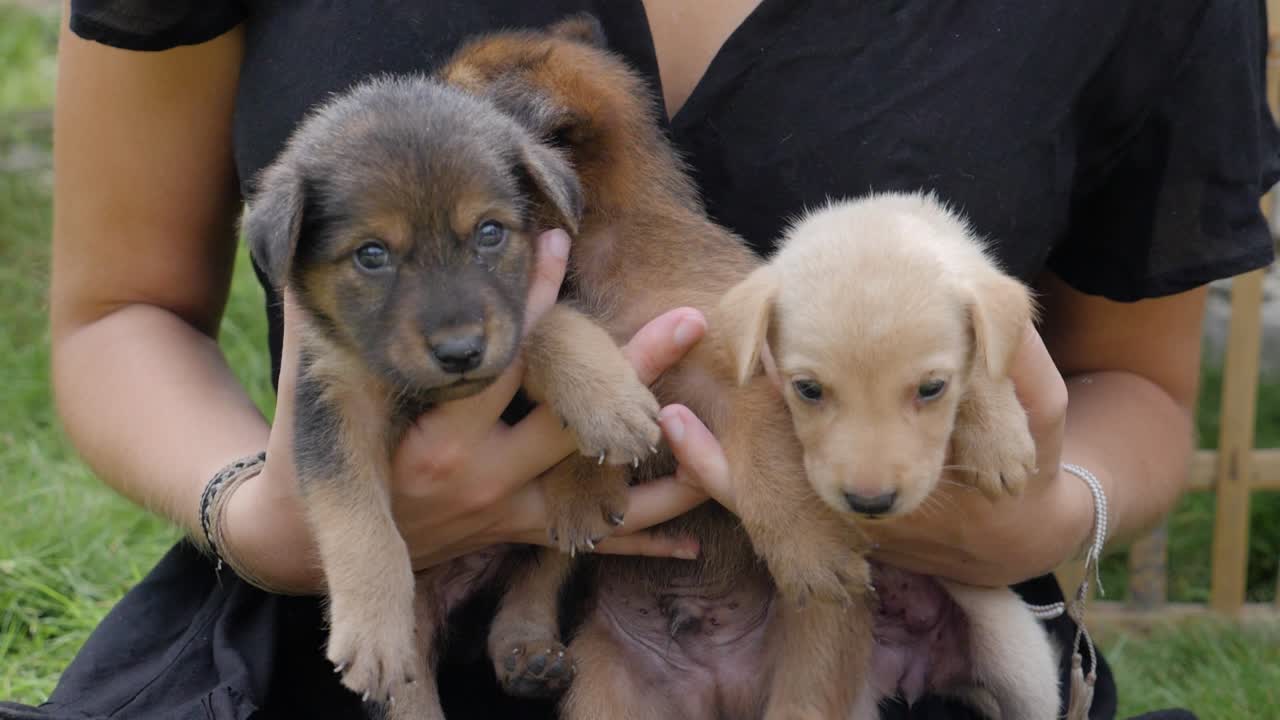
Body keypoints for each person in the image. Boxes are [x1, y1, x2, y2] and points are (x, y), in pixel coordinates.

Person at [2, 1, 1275, 719]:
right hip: (329, 657)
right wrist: (271, 519)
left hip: (863, 661)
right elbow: (121, 310)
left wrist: (1044, 514)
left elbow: (1142, 389)